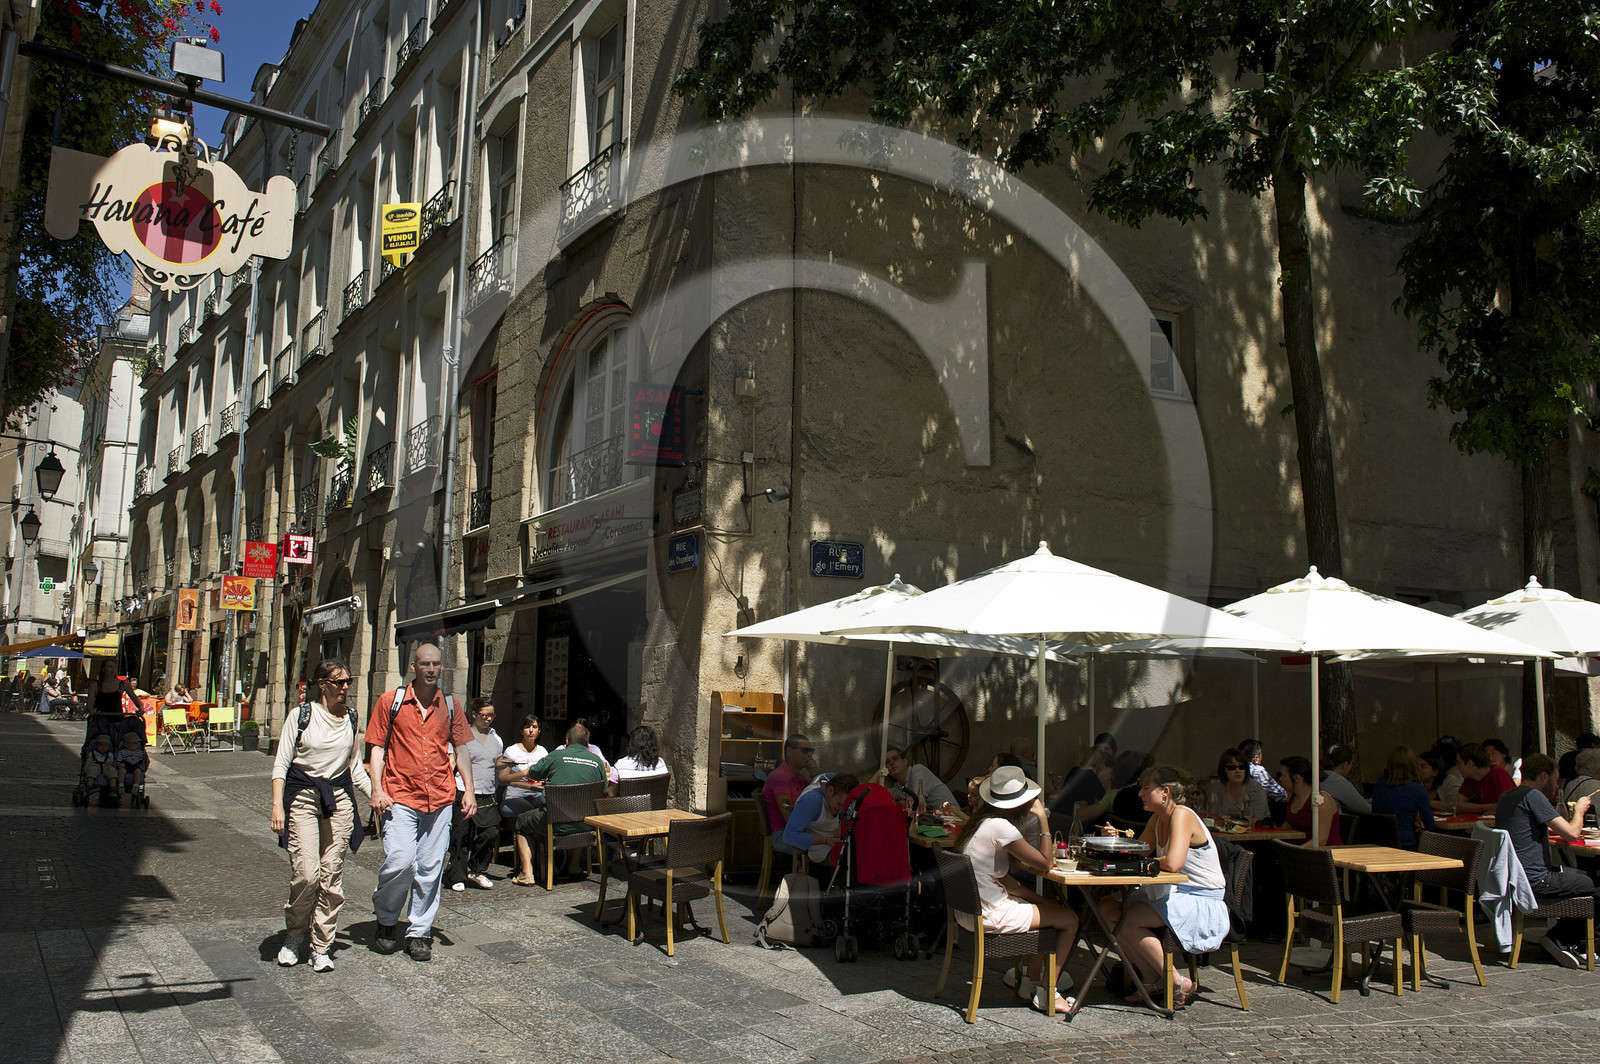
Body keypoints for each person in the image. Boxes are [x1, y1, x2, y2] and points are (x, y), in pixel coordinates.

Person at [367, 641, 473, 963]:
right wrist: (376, 788)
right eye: (425, 664)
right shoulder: (391, 701)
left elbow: (462, 749)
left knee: (429, 868)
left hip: (440, 797)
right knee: (400, 861)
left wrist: (468, 789)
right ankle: (387, 919)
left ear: (442, 667)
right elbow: (376, 748)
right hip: (399, 794)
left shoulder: (451, 705)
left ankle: (418, 932)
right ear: (414, 666)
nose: (431, 670)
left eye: (436, 664)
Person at [271, 658, 371, 972]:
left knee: (331, 875)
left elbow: (355, 768)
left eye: (348, 682)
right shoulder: (301, 715)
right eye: (339, 682)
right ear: (322, 683)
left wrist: (377, 795)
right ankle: (295, 933)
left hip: (339, 800)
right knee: (306, 873)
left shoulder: (352, 718)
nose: (345, 688)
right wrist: (277, 805)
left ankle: (321, 946)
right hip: (302, 797)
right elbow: (281, 764)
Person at [955, 765, 1080, 1015]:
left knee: (1052, 913)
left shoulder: (981, 824)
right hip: (989, 913)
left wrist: (1044, 904)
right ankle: (1048, 991)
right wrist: (1043, 818)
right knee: (1070, 919)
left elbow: (1011, 884)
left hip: (969, 913)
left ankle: (1030, 983)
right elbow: (1045, 862)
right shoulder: (1002, 828)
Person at [1099, 766, 1228, 1007]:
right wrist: (1116, 841)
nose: (1140, 794)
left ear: (1165, 792)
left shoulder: (1182, 815)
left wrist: (1143, 861)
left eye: (1146, 788)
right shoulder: (1158, 818)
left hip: (1200, 898)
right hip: (1174, 892)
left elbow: (1173, 863)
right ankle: (1152, 978)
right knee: (1107, 909)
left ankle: (1177, 981)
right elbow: (1141, 851)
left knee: (1126, 918)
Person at [1496, 752, 1600, 967]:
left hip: (1514, 876)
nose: (1556, 784)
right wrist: (1580, 809)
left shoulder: (1508, 796)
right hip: (1535, 880)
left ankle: (1570, 938)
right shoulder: (1533, 796)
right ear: (1544, 776)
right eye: (1554, 778)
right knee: (1597, 886)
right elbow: (1571, 834)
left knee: (1580, 877)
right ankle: (1563, 939)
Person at [521, 722, 608, 863]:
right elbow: (603, 790)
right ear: (587, 743)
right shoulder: (597, 762)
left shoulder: (556, 756)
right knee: (580, 809)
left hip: (554, 823)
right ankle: (574, 864)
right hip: (586, 823)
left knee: (521, 823)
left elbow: (534, 773)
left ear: (566, 741)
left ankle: (527, 872)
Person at [446, 698, 503, 892]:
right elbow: (453, 760)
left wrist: (505, 764)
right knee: (461, 834)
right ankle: (457, 875)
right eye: (484, 715)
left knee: (490, 832)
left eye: (491, 715)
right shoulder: (464, 735)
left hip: (487, 792)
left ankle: (477, 869)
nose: (487, 719)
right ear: (474, 714)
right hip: (463, 789)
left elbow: (495, 763)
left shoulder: (496, 738)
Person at [497, 714, 548, 885]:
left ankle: (543, 865)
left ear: (539, 731)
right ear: (521, 730)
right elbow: (502, 778)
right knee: (530, 815)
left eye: (534, 727)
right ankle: (530, 868)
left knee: (549, 812)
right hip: (515, 797)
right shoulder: (511, 751)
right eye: (528, 727)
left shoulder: (542, 752)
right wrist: (523, 773)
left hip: (536, 794)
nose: (531, 730)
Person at [782, 772, 858, 867]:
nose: (842, 809)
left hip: (835, 840)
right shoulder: (812, 800)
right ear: (830, 790)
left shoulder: (834, 781)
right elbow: (789, 836)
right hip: (823, 851)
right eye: (839, 804)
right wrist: (826, 840)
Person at [761, 734, 817, 852]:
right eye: (805, 751)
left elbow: (818, 799)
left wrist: (813, 773)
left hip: (799, 829)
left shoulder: (800, 778)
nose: (808, 755)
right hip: (783, 835)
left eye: (810, 751)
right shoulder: (779, 777)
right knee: (825, 846)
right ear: (790, 751)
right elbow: (790, 818)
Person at [1370, 746, 1435, 848]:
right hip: (1405, 844)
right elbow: (1430, 825)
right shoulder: (1417, 790)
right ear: (1413, 765)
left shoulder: (1380, 784)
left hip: (1379, 841)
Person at [877, 745, 959, 814]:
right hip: (935, 822)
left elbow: (917, 803)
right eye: (887, 762)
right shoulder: (899, 786)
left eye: (895, 758)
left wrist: (903, 803)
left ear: (905, 761)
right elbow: (876, 796)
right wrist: (880, 771)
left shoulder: (917, 770)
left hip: (954, 817)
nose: (892, 763)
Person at [1278, 755, 1341, 845]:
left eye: (1283, 775)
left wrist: (1295, 852)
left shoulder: (1321, 800)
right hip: (1300, 850)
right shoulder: (1293, 798)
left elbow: (1321, 840)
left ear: (1297, 778)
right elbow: (1289, 824)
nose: (1280, 779)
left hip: (1323, 854)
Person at [1207, 747, 1269, 824]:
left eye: (1241, 767)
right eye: (1232, 767)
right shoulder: (1217, 787)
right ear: (1224, 770)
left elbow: (1257, 819)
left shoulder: (1256, 788)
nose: (1237, 771)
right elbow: (1213, 816)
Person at [1048, 749, 1114, 817]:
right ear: (1103, 766)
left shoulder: (1075, 771)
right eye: (1110, 774)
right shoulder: (1090, 775)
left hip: (1058, 816)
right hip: (1070, 821)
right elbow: (1105, 800)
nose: (1109, 778)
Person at [608, 724, 669, 794]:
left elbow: (611, 793)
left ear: (632, 743)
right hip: (656, 804)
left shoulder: (621, 766)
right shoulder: (660, 763)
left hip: (628, 805)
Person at [1456, 743, 1515, 813]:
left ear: (1469, 763)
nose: (1457, 767)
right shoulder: (1470, 779)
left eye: (1459, 763)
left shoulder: (1497, 773)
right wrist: (1487, 807)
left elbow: (1508, 806)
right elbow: (1457, 805)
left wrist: (1471, 807)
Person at [1320, 744, 1372, 814]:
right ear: (1345, 764)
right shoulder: (1338, 782)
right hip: (1335, 822)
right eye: (1351, 764)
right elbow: (1365, 809)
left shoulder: (1321, 775)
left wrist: (1365, 801)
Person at [115, 730, 149, 795]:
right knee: (121, 771)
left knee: (138, 772)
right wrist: (119, 764)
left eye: (137, 743)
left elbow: (143, 760)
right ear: (126, 744)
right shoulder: (122, 752)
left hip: (136, 765)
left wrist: (142, 765)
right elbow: (118, 760)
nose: (136, 745)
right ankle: (121, 785)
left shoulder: (139, 752)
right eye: (134, 744)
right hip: (125, 765)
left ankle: (135, 786)